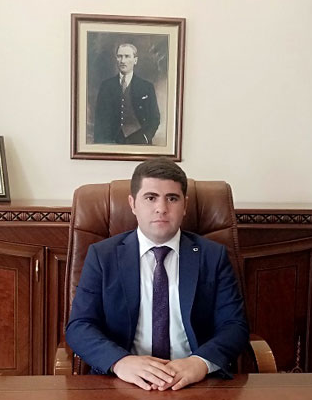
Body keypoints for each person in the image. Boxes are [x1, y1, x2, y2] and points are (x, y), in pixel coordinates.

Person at [65, 158, 248, 391]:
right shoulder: (103, 256)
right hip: (123, 381)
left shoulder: (212, 256)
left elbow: (234, 325)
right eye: (150, 198)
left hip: (194, 381)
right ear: (133, 204)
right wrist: (120, 361)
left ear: (185, 205)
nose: (161, 208)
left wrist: (200, 362)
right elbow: (80, 325)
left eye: (172, 198)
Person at [92, 43, 160, 145]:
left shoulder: (146, 87)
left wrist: (145, 137)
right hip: (111, 141)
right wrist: (100, 143)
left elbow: (155, 118)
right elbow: (99, 118)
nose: (122, 61)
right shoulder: (106, 86)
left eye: (127, 56)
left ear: (135, 60)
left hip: (139, 141)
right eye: (119, 56)